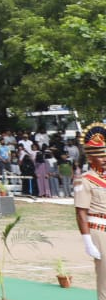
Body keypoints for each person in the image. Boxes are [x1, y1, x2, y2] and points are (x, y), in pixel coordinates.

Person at [75, 123, 106, 300]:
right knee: (105, 279)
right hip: (99, 230)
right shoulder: (84, 180)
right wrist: (87, 242)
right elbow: (80, 213)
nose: (104, 159)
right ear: (90, 158)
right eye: (100, 156)